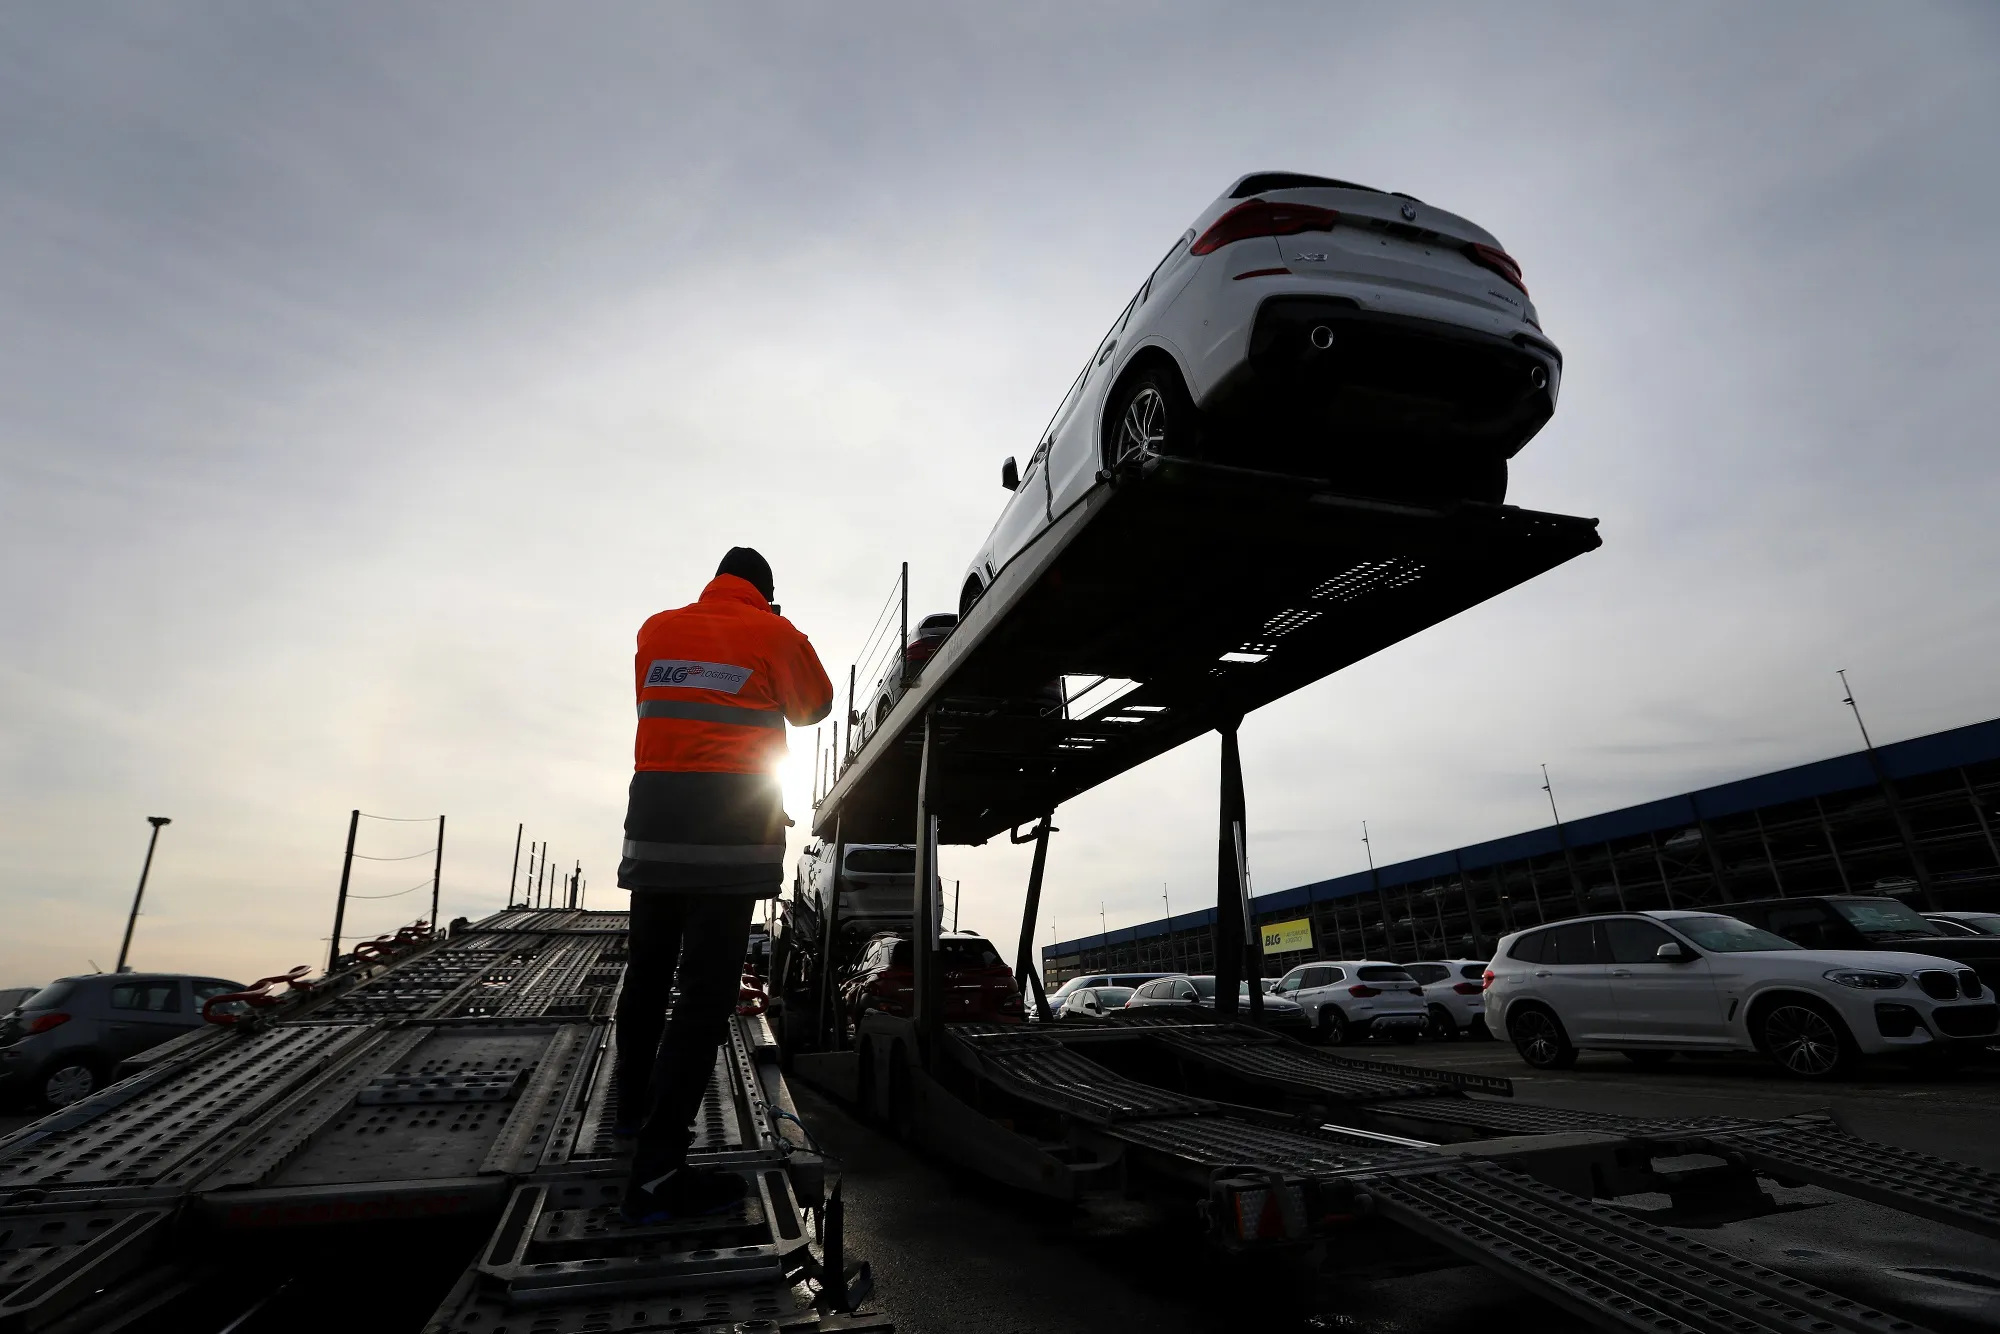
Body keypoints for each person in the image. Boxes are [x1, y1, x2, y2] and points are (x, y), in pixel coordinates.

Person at [616, 546, 832, 1222]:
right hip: (728, 838)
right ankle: (657, 1175)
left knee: (648, 973)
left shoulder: (656, 629)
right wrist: (779, 628)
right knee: (704, 998)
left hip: (654, 828)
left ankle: (630, 1111)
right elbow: (816, 706)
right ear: (765, 593)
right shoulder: (775, 633)